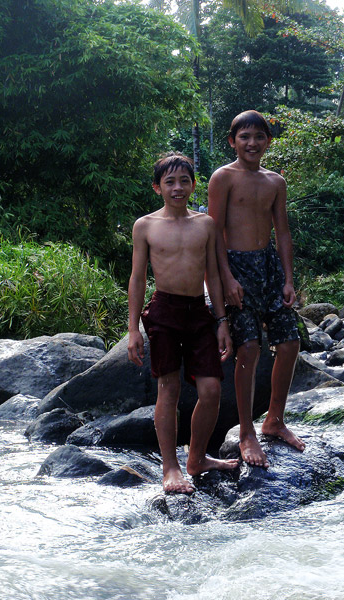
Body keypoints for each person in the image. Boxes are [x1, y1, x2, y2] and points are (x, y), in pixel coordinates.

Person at [127, 152, 238, 494]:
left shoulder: (205, 224)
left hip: (198, 312)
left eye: (184, 181)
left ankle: (197, 458)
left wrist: (221, 320)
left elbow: (213, 275)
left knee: (211, 389)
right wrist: (132, 330)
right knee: (169, 389)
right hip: (164, 311)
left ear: (193, 184)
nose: (178, 188)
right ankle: (170, 468)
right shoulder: (145, 226)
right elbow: (137, 278)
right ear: (157, 187)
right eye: (170, 182)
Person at [208, 109, 304, 468]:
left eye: (259, 136)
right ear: (232, 141)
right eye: (244, 137)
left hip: (269, 268)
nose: (252, 143)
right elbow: (213, 232)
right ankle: (246, 431)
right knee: (248, 348)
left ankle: (274, 419)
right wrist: (226, 279)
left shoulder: (275, 182)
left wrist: (289, 279)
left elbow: (283, 233)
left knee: (290, 342)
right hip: (236, 268)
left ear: (268, 141)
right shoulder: (223, 178)